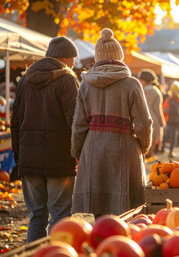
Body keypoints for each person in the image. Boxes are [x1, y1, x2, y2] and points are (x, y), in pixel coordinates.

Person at [71, 29, 152, 218]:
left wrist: (77, 152)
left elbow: (78, 125)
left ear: (97, 57)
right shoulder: (131, 84)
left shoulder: (85, 85)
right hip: (125, 149)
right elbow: (144, 123)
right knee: (127, 213)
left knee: (92, 212)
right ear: (119, 57)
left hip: (93, 149)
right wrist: (143, 146)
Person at [11, 36, 79, 243]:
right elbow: (74, 122)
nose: (74, 64)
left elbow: (15, 122)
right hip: (59, 159)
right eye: (73, 59)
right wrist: (78, 154)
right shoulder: (67, 80)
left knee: (36, 217)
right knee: (60, 215)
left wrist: (19, 157)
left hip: (28, 159)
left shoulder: (25, 80)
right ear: (66, 58)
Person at [139, 69, 165, 159]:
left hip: (149, 119)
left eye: (140, 79)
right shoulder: (155, 90)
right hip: (154, 119)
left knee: (146, 148)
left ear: (144, 80)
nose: (138, 81)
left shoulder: (146, 90)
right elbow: (158, 110)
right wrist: (161, 122)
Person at [162, 81, 179, 158]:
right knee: (173, 136)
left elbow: (164, 110)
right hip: (176, 121)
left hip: (170, 120)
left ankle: (163, 148)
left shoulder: (170, 99)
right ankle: (170, 151)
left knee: (168, 135)